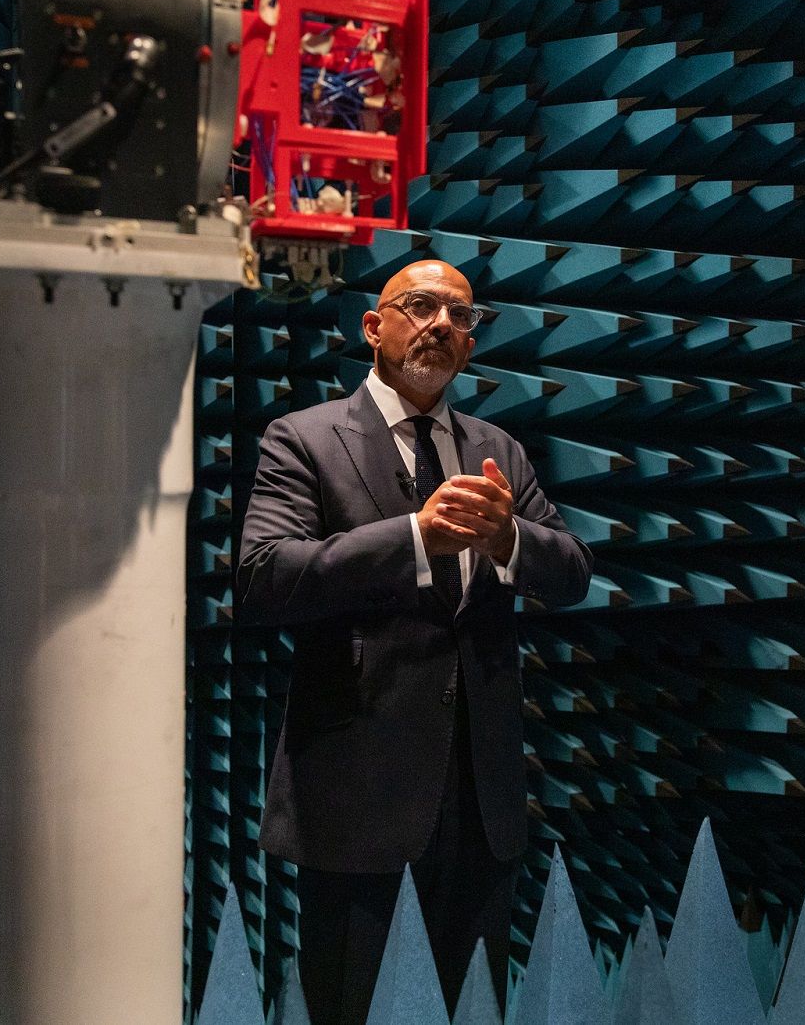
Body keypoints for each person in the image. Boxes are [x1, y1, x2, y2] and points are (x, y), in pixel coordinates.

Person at [237, 259, 595, 1023]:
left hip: (479, 794)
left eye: (459, 316)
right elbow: (267, 577)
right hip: (355, 796)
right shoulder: (303, 440)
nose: (441, 325)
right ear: (375, 326)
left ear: (469, 345)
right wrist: (413, 537)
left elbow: (571, 574)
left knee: (472, 1009)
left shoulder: (498, 447)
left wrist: (509, 540)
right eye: (421, 306)